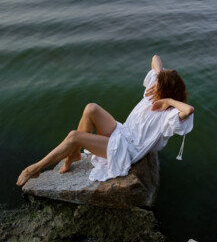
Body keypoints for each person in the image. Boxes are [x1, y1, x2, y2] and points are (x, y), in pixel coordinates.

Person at [16, 55, 194, 186]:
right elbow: (156, 58)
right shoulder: (153, 91)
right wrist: (158, 73)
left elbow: (189, 110)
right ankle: (74, 154)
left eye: (158, 83)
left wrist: (168, 102)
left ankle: (34, 169)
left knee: (73, 136)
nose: (154, 85)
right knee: (91, 108)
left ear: (165, 91)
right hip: (122, 132)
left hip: (126, 150)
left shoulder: (169, 115)